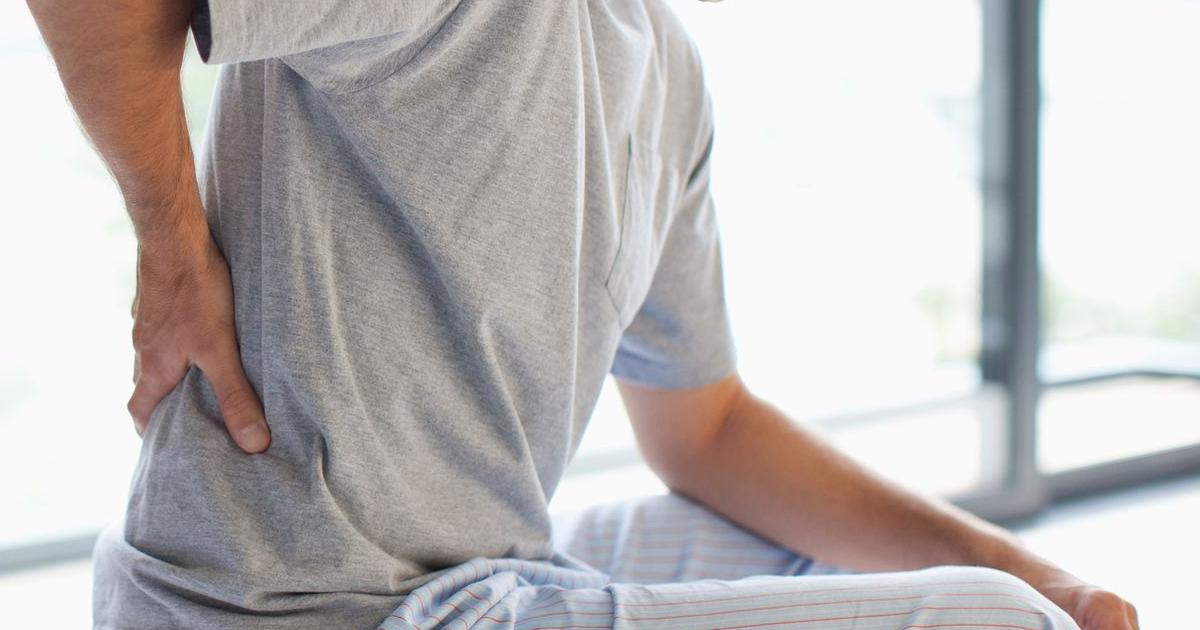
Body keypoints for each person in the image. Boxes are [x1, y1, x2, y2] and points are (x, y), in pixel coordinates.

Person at [27, 0, 1138, 628]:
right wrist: (172, 246)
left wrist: (1036, 571)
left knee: (964, 590)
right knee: (988, 627)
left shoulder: (667, 71)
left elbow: (704, 430)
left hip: (479, 575)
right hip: (278, 605)